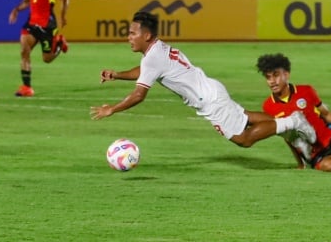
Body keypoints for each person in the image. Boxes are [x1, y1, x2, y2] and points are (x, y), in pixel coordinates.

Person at [90, 11, 317, 150]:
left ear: (146, 35)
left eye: (132, 33)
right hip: (212, 89)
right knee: (245, 117)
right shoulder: (156, 51)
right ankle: (290, 127)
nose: (128, 37)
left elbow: (139, 95)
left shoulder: (153, 58)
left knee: (244, 139)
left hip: (209, 100)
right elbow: (144, 71)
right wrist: (117, 75)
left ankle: (292, 123)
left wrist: (112, 109)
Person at [8, 0, 69, 97]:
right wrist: (16, 10)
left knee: (47, 59)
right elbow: (27, 1)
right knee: (24, 51)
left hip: (47, 24)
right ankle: (26, 87)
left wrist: (62, 16)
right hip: (31, 23)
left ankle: (59, 45)